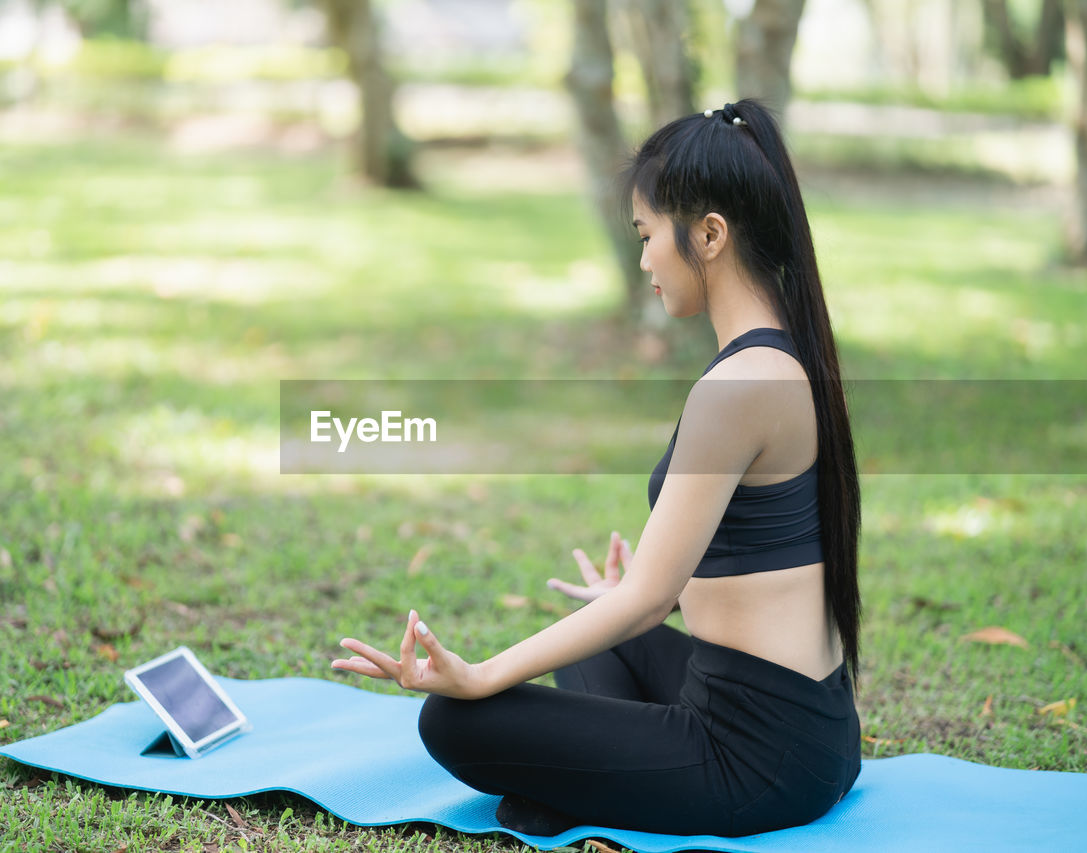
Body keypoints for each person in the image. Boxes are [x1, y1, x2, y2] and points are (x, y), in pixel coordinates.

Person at [330, 98, 863, 838]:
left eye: (648, 236)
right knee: (600, 622)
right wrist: (632, 597)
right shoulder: (783, 355)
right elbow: (750, 558)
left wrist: (481, 673)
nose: (644, 259)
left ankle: (589, 787)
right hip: (813, 731)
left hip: (757, 759)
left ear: (709, 234)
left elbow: (647, 600)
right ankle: (599, 784)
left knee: (452, 721)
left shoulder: (739, 385)